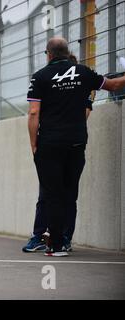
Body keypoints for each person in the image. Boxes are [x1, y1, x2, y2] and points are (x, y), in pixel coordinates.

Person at [27, 37, 125, 256]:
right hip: (76, 141)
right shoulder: (83, 72)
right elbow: (114, 85)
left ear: (49, 54)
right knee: (69, 194)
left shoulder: (40, 77)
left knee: (52, 194)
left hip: (49, 144)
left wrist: (34, 144)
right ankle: (65, 239)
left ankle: (56, 245)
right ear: (67, 51)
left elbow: (34, 112)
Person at [23, 53, 94, 253]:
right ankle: (40, 235)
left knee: (67, 195)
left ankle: (63, 238)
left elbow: (85, 112)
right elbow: (35, 110)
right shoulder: (47, 83)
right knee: (47, 193)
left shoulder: (83, 88)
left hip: (71, 143)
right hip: (52, 143)